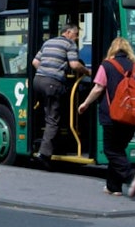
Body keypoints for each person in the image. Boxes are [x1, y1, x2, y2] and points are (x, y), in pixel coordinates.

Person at [77, 38, 135, 197]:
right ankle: (114, 187)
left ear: (112, 50)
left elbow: (98, 88)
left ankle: (131, 174)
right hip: (132, 118)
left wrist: (85, 103)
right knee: (118, 150)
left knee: (110, 150)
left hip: (112, 116)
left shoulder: (107, 65)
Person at [31, 23, 91, 168]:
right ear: (69, 32)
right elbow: (75, 65)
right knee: (53, 118)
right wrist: (88, 72)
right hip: (52, 83)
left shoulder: (48, 42)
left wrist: (45, 71)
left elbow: (35, 62)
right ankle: (44, 154)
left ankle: (44, 142)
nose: (77, 38)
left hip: (38, 81)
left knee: (46, 112)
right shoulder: (69, 44)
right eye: (76, 35)